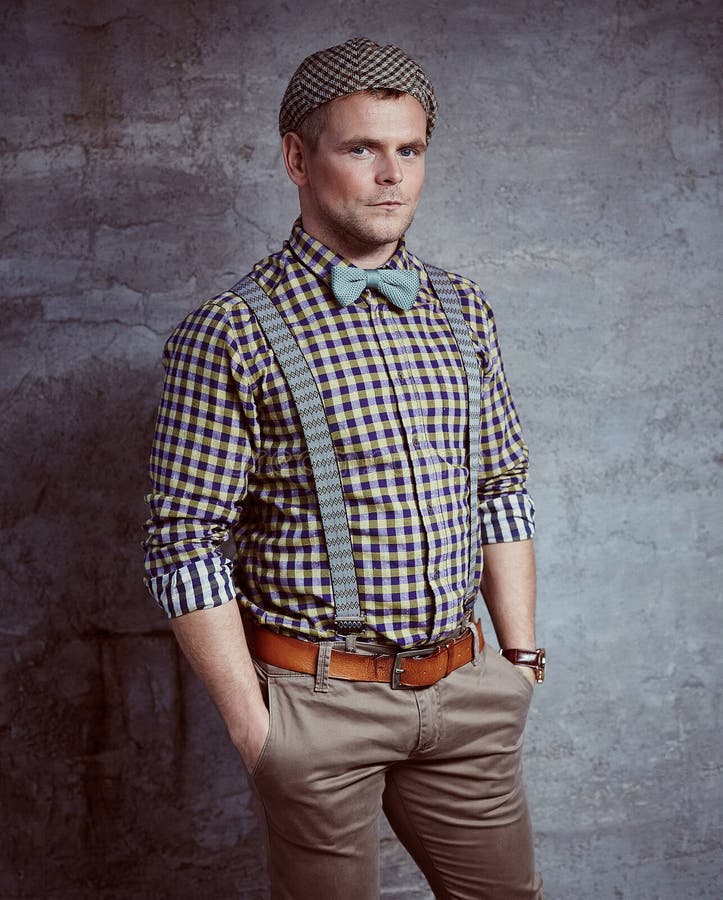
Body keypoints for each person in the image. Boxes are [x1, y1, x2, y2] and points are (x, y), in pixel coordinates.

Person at [144, 36, 545, 900]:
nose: (390, 176)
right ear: (297, 157)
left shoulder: (461, 307)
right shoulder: (231, 330)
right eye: (360, 148)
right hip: (316, 701)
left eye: (408, 151)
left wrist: (518, 662)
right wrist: (257, 730)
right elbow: (184, 542)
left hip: (467, 689)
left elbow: (501, 487)